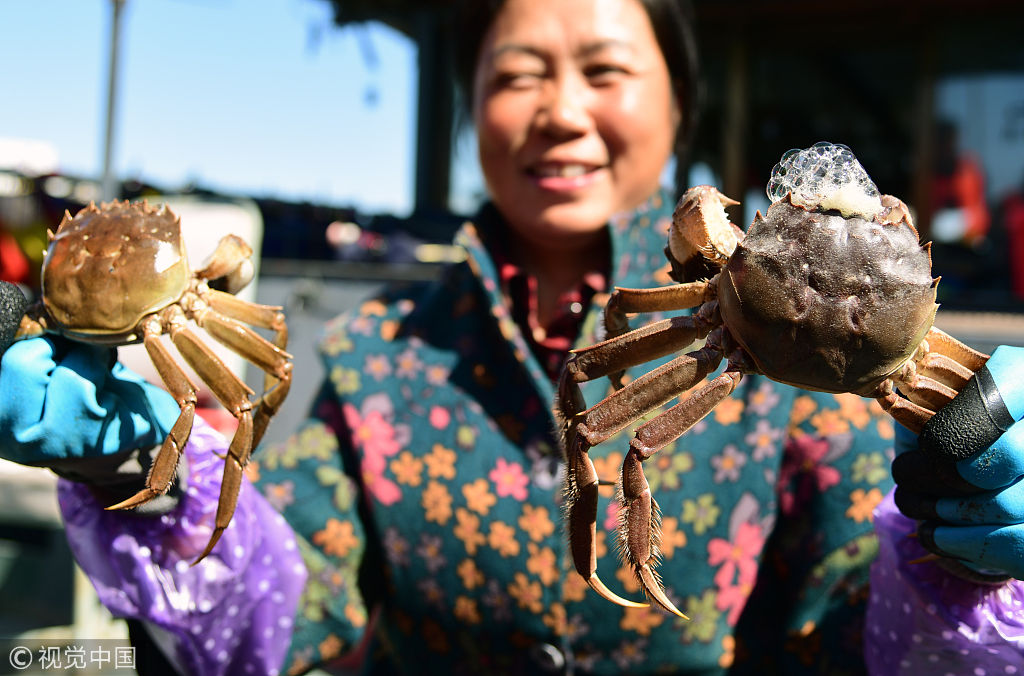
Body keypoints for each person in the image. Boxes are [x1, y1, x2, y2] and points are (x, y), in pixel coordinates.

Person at [1, 0, 1024, 674]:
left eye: (606, 71)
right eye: (519, 72)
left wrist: (967, 564)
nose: (560, 112)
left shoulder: (779, 362)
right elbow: (295, 621)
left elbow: (859, 630)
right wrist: (147, 464)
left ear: (679, 106)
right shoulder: (374, 352)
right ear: (472, 108)